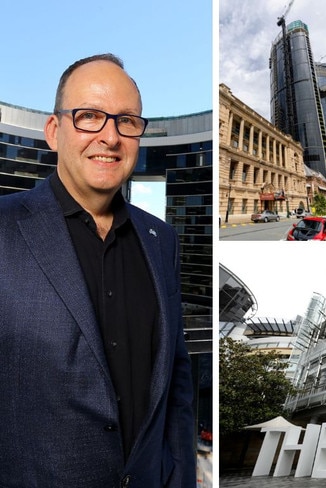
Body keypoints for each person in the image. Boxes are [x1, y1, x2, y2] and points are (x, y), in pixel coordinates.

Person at [0, 54, 196, 487]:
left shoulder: (161, 241)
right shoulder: (4, 229)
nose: (109, 137)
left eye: (126, 121)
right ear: (54, 131)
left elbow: (177, 381)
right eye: (89, 116)